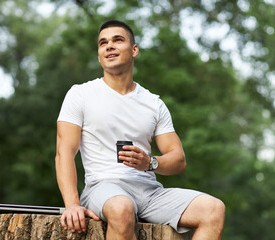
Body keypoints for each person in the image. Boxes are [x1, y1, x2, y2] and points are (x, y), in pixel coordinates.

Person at [55, 19, 225, 239]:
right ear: (99, 54)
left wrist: (150, 162)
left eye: (118, 40)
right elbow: (64, 153)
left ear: (134, 50)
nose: (109, 46)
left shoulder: (153, 103)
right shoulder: (81, 94)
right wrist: (72, 204)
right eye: (103, 43)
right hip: (104, 188)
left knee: (214, 209)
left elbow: (178, 160)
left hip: (150, 193)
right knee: (122, 208)